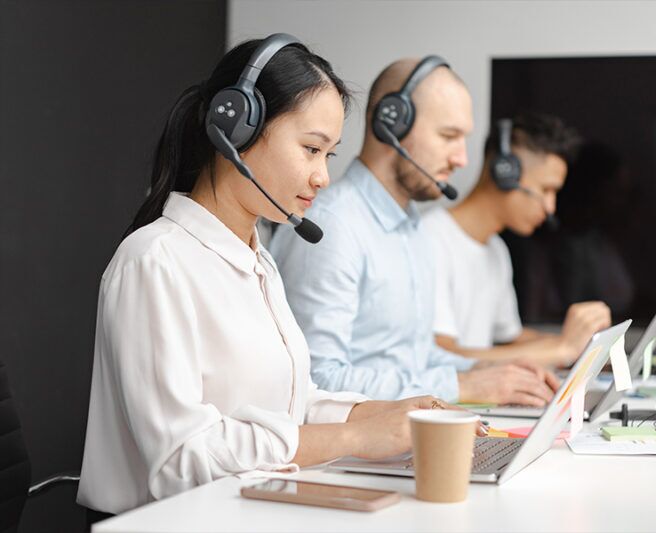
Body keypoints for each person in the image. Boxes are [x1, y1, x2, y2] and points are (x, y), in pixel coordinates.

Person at [77, 36, 463, 517]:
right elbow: (181, 459)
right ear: (234, 128)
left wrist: (384, 414)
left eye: (329, 155)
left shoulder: (259, 259)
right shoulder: (154, 261)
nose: (322, 176)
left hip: (247, 512)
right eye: (310, 149)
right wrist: (353, 437)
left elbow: (288, 405)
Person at [269, 57, 559, 407]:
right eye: (448, 136)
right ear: (393, 121)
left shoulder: (412, 227)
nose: (462, 159)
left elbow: (415, 358)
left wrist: (488, 370)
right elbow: (316, 379)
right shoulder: (334, 227)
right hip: (346, 455)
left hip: (405, 439)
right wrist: (464, 387)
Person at [422, 113, 612, 368]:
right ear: (505, 172)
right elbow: (443, 356)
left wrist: (583, 345)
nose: (550, 208)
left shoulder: (496, 250)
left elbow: (510, 339)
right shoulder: (430, 238)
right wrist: (561, 350)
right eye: (546, 189)